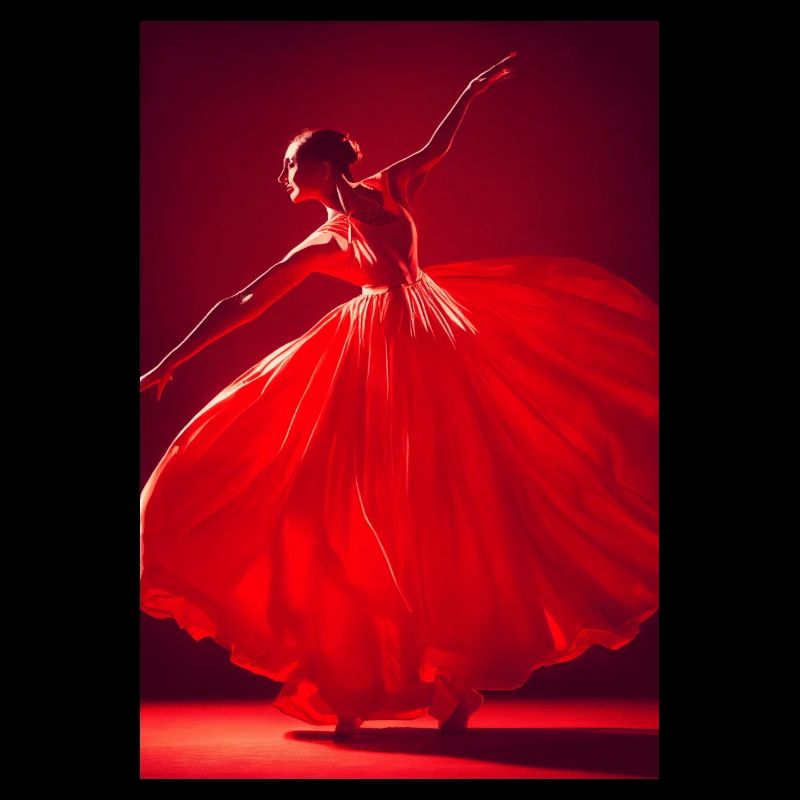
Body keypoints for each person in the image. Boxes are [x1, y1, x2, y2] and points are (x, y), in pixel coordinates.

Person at [140, 52, 658, 742]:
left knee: (447, 504)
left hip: (436, 344)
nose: (283, 177)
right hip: (371, 360)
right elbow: (242, 302)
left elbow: (436, 146)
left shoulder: (391, 188)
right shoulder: (320, 244)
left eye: (292, 165)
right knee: (364, 509)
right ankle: (359, 678)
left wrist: (469, 92)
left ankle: (445, 679)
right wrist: (167, 363)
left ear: (324, 167)